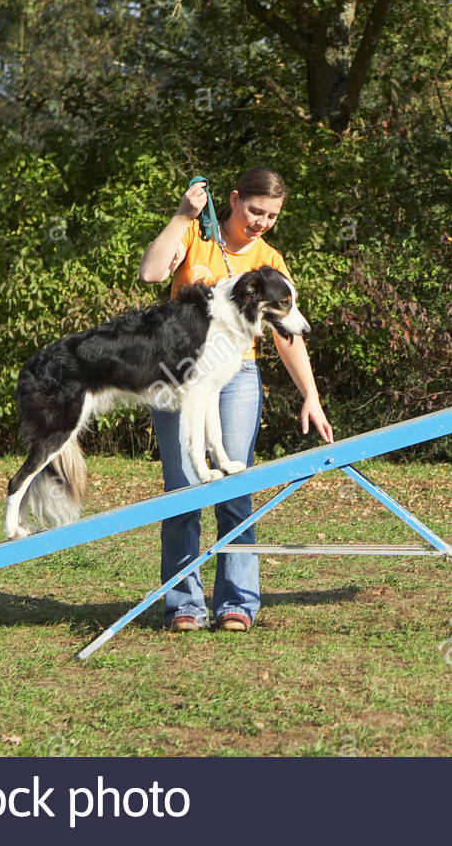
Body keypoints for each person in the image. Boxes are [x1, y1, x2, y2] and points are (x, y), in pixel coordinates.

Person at [139, 168, 333, 632]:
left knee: (234, 491)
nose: (262, 221)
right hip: (180, 377)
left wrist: (311, 395)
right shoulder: (197, 236)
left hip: (237, 375)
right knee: (182, 492)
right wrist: (183, 214)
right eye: (255, 210)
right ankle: (183, 605)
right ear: (232, 200)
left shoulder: (270, 260)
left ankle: (236, 603)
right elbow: (149, 272)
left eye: (272, 215)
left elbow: (287, 334)